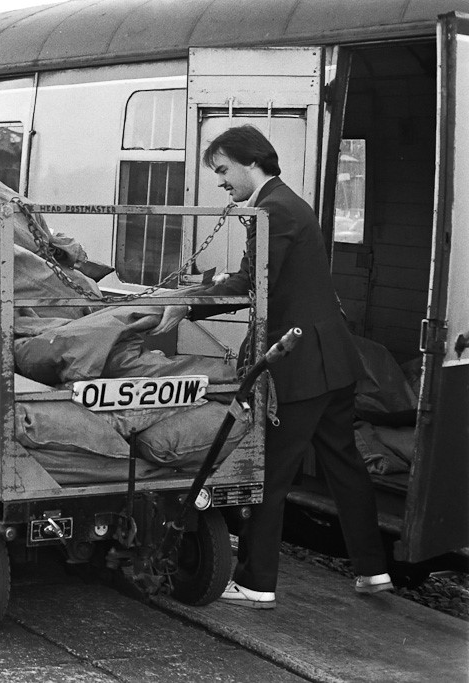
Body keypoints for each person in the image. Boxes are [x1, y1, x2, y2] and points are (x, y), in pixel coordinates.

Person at [150, 125, 392, 608]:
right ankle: (373, 569)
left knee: (268, 473)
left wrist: (188, 304)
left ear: (249, 161)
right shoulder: (287, 204)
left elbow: (253, 284)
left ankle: (257, 582)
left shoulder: (272, 211)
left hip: (300, 366)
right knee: (344, 467)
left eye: (222, 170)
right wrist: (207, 285)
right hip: (331, 361)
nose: (220, 182)